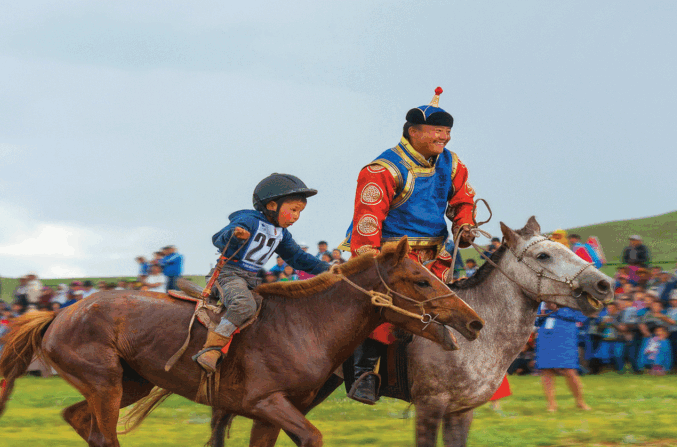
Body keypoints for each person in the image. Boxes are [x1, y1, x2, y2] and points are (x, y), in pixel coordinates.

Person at [342, 87, 478, 404]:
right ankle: (363, 373)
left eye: (446, 132)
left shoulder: (452, 163)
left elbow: (463, 201)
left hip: (437, 256)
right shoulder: (382, 170)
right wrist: (372, 268)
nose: (443, 137)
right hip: (393, 257)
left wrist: (465, 224)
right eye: (437, 131)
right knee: (382, 308)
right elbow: (367, 224)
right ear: (413, 132)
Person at [195, 173, 330, 373]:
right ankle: (210, 350)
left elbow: (298, 258)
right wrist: (235, 235)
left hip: (251, 280)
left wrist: (331, 269)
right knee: (243, 305)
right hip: (227, 275)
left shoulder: (281, 233)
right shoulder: (248, 221)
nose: (296, 216)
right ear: (272, 206)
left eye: (299, 212)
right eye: (293, 210)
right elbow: (218, 238)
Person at [535, 303, 589, 412]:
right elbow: (536, 321)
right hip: (545, 334)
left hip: (565, 334)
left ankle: (580, 401)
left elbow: (582, 317)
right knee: (546, 369)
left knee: (569, 370)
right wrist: (543, 313)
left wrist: (557, 310)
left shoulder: (573, 297)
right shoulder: (543, 301)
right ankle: (551, 404)